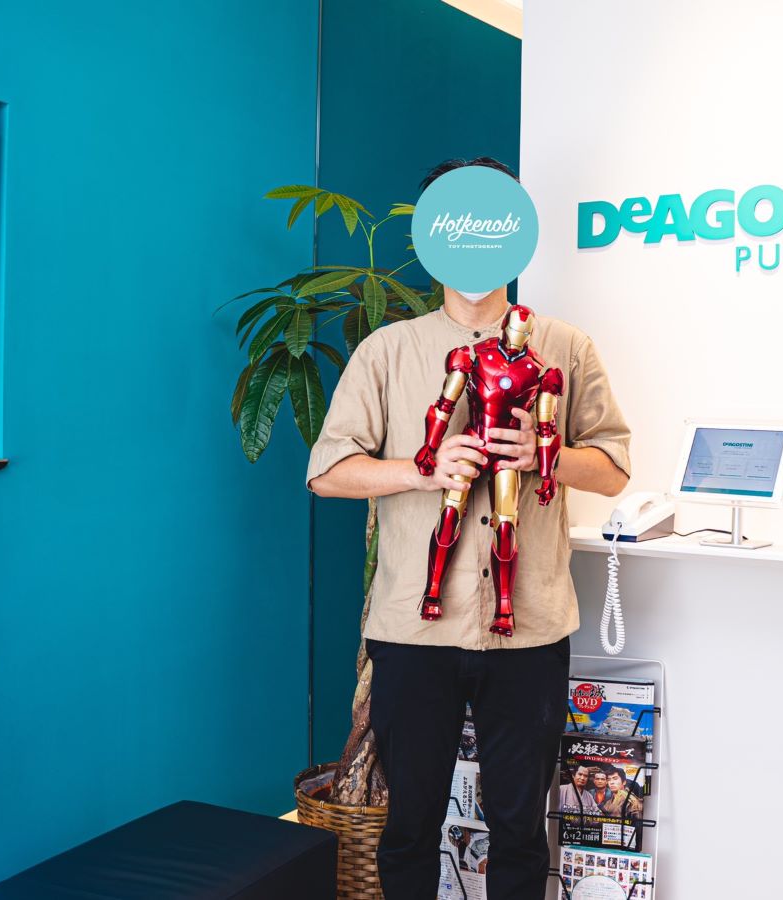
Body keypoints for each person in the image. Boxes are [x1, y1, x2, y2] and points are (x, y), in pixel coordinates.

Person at [305, 156, 632, 900]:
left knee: (520, 827)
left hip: (529, 629)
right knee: (410, 825)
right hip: (413, 632)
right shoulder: (388, 350)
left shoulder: (566, 348)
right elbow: (327, 472)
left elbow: (613, 467)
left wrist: (548, 455)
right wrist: (421, 468)